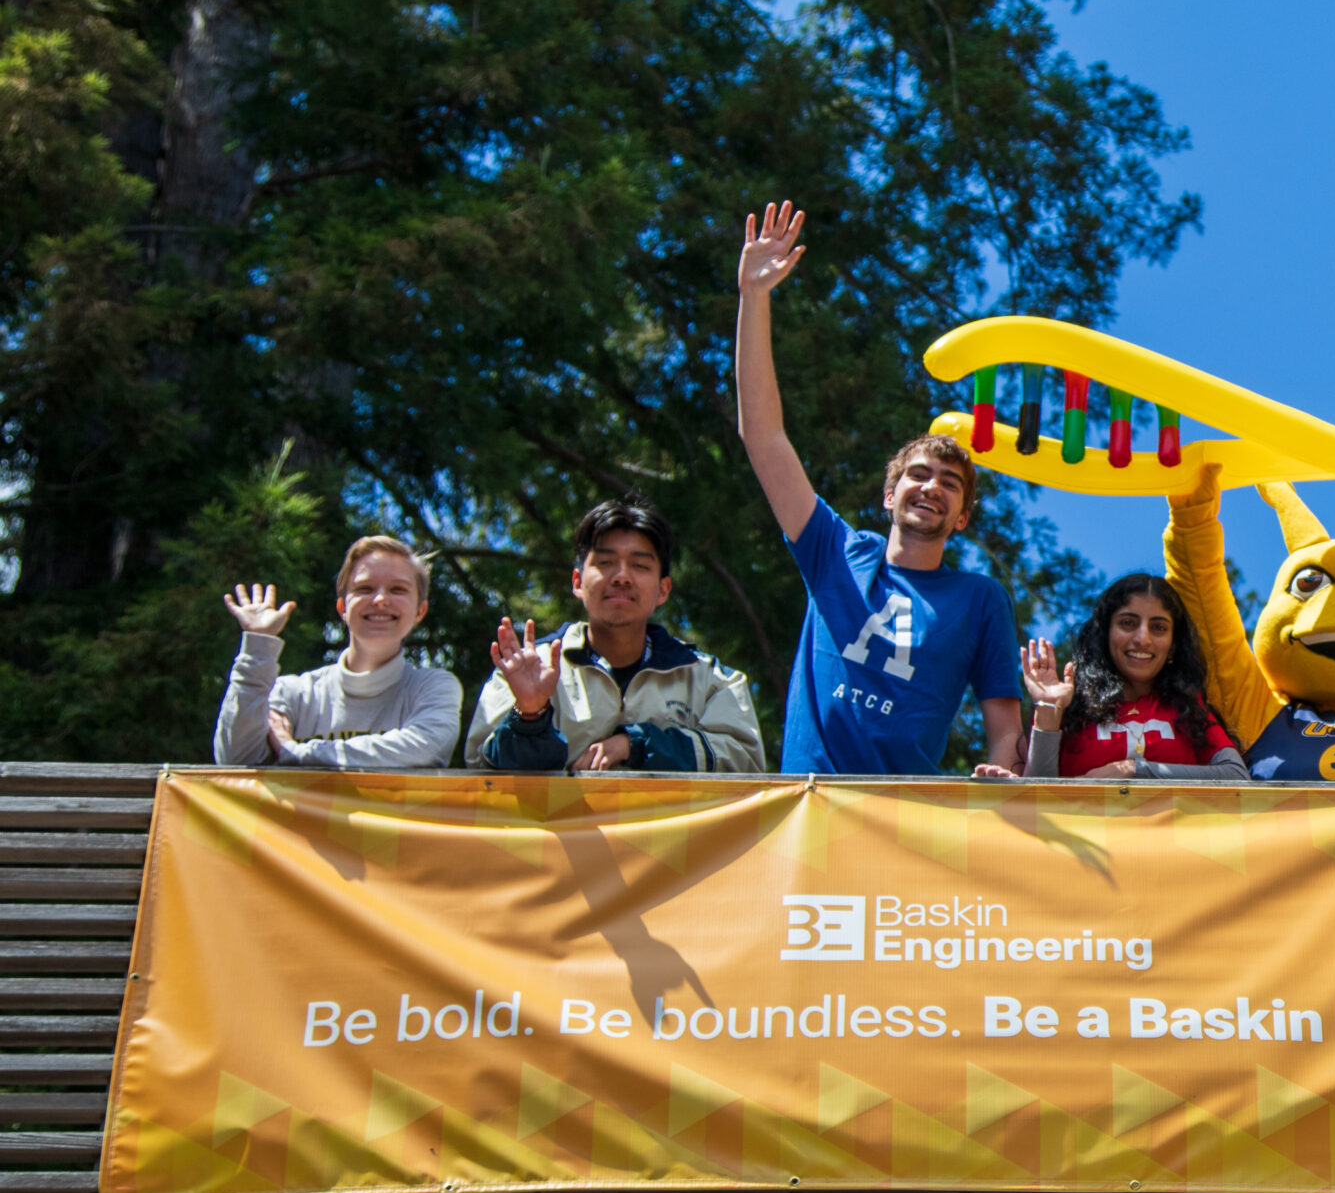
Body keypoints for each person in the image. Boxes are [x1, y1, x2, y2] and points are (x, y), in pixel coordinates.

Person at [733, 201, 1024, 775]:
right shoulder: (835, 550)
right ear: (889, 496)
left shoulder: (979, 600)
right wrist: (753, 297)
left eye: (949, 483)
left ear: (962, 518)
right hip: (812, 806)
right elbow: (763, 436)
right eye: (918, 474)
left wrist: (1000, 775)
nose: (931, 487)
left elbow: (1005, 730)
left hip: (908, 818)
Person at [466, 496, 764, 772]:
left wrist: (636, 744)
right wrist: (529, 714)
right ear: (578, 582)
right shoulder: (527, 668)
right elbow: (481, 770)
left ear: (663, 590)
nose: (621, 577)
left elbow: (746, 762)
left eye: (639, 565)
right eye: (605, 563)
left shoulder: (711, 681)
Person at [212, 537, 463, 768]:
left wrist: (298, 753)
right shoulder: (291, 694)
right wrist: (258, 645)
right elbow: (235, 760)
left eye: (398, 589)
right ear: (342, 607)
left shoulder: (434, 688)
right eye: (364, 588)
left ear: (420, 611)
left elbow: (424, 750)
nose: (380, 600)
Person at [975, 573, 1247, 781]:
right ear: (1104, 634)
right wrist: (1049, 709)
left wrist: (1131, 771)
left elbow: (1237, 776)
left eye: (1159, 627)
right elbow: (1039, 801)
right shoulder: (1070, 709)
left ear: (1174, 645)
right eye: (1128, 623)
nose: (1143, 638)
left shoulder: (1188, 709)